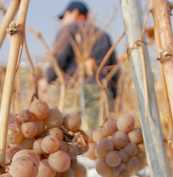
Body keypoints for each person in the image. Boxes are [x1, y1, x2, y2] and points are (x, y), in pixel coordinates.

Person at [37, 1, 119, 130]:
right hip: (100, 89)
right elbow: (114, 67)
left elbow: (60, 57)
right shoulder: (103, 35)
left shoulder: (68, 30)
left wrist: (47, 78)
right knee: (100, 134)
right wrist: (112, 93)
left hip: (73, 89)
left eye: (63, 16)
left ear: (74, 12)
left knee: (72, 133)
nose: (62, 21)